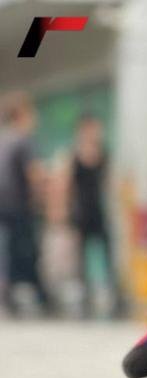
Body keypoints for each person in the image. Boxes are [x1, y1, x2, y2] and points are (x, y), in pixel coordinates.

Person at [0, 91, 52, 314]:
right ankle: (39, 296)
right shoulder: (24, 140)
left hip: (4, 205)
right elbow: (34, 174)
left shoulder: (4, 138)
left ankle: (10, 293)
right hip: (18, 206)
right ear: (21, 114)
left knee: (10, 250)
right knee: (27, 251)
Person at [69, 114, 122, 317]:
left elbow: (110, 183)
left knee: (107, 254)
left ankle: (113, 296)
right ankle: (85, 297)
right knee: (80, 258)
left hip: (100, 211)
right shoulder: (74, 155)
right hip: (81, 212)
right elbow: (67, 185)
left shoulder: (104, 154)